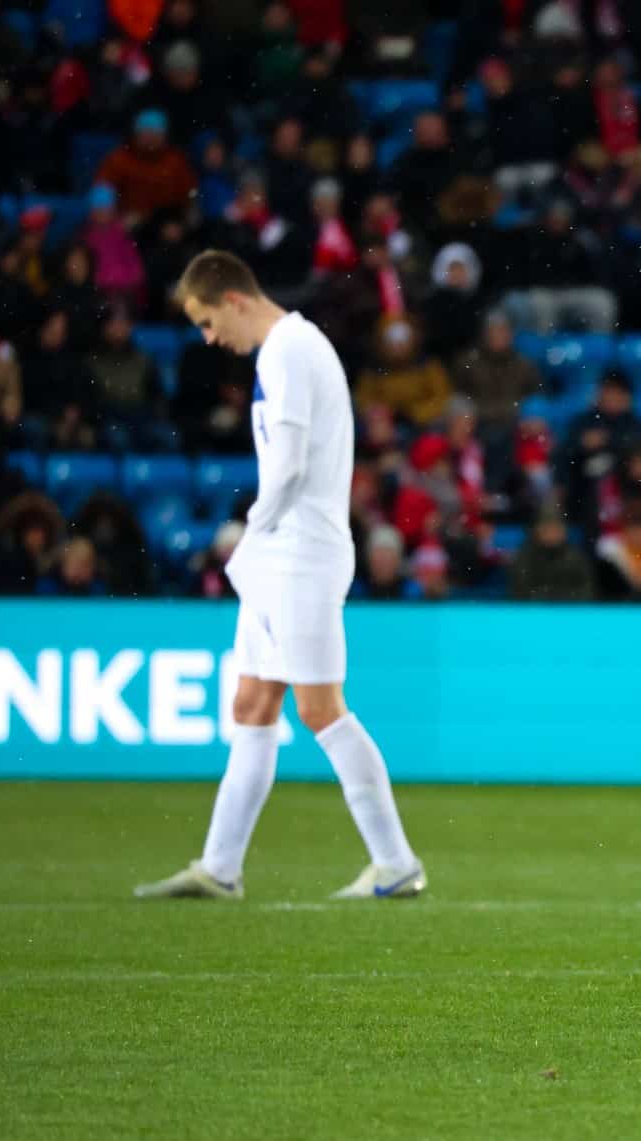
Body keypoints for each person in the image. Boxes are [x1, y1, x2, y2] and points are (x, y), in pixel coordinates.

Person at [135, 251, 426, 903]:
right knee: (252, 704)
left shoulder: (287, 350)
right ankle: (220, 866)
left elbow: (289, 466)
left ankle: (397, 862)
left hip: (302, 554)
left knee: (320, 709)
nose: (211, 338)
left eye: (209, 322)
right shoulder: (290, 348)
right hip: (283, 553)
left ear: (235, 300)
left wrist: (250, 535)